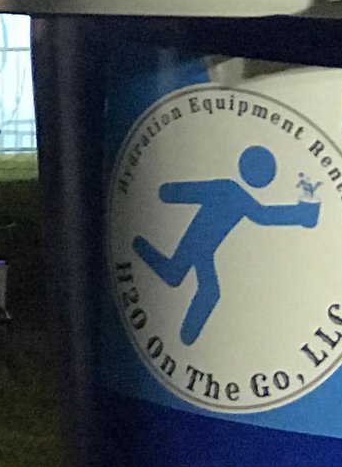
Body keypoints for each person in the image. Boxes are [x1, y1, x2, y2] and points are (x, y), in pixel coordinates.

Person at [131, 144, 320, 345]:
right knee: (183, 278)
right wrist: (304, 212)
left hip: (203, 247)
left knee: (189, 280)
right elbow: (264, 215)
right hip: (196, 242)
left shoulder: (235, 193)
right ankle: (139, 245)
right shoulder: (229, 190)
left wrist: (305, 211)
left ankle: (186, 338)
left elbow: (264, 216)